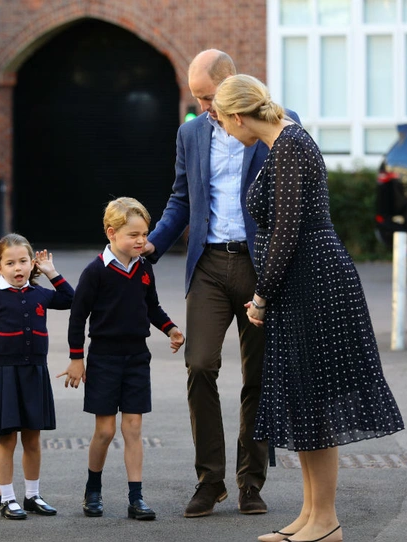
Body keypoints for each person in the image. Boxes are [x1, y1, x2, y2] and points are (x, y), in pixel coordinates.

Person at [212, 74, 405, 542]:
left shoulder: (292, 144)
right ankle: (310, 514)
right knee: (305, 403)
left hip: (315, 282)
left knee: (316, 400)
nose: (222, 130)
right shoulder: (283, 143)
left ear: (238, 115)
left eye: (220, 120)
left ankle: (326, 521)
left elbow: (286, 231)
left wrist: (260, 298)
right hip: (302, 283)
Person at [144, 49, 299, 518]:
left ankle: (251, 482)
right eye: (196, 98)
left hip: (259, 267)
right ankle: (210, 482)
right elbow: (180, 198)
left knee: (259, 377)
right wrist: (151, 244)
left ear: (233, 82)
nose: (204, 106)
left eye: (209, 96)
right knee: (200, 365)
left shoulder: (279, 124)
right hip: (208, 265)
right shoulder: (190, 132)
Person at [59, 197, 185, 521]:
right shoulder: (95, 271)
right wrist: (76, 358)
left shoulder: (144, 268)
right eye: (134, 235)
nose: (142, 241)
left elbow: (152, 306)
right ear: (112, 233)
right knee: (105, 431)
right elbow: (77, 316)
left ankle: (136, 497)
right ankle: (93, 490)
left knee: (133, 427)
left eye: (144, 234)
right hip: (103, 358)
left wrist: (170, 328)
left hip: (137, 358)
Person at [0, 233, 74, 520]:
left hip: (35, 372)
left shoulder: (40, 293)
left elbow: (70, 299)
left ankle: (32, 495)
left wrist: (52, 272)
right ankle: (8, 498)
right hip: (5, 376)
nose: (18, 268)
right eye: (10, 263)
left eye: (23, 261)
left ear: (32, 265)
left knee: (33, 439)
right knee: (7, 440)